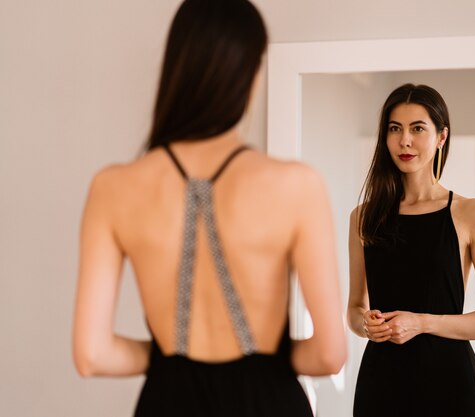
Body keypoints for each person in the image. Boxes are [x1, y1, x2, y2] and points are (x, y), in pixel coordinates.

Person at [72, 1, 346, 416]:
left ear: (176, 68)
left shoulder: (112, 187)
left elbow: (91, 354)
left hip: (168, 399)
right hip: (268, 401)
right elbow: (329, 355)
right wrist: (264, 361)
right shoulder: (296, 185)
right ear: (250, 74)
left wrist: (167, 359)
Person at [347, 84, 475, 416]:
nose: (404, 140)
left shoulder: (471, 213)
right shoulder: (363, 217)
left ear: (441, 136)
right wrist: (366, 324)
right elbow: (354, 308)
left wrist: (421, 323)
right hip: (381, 386)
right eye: (395, 129)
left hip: (450, 386)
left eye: (417, 128)